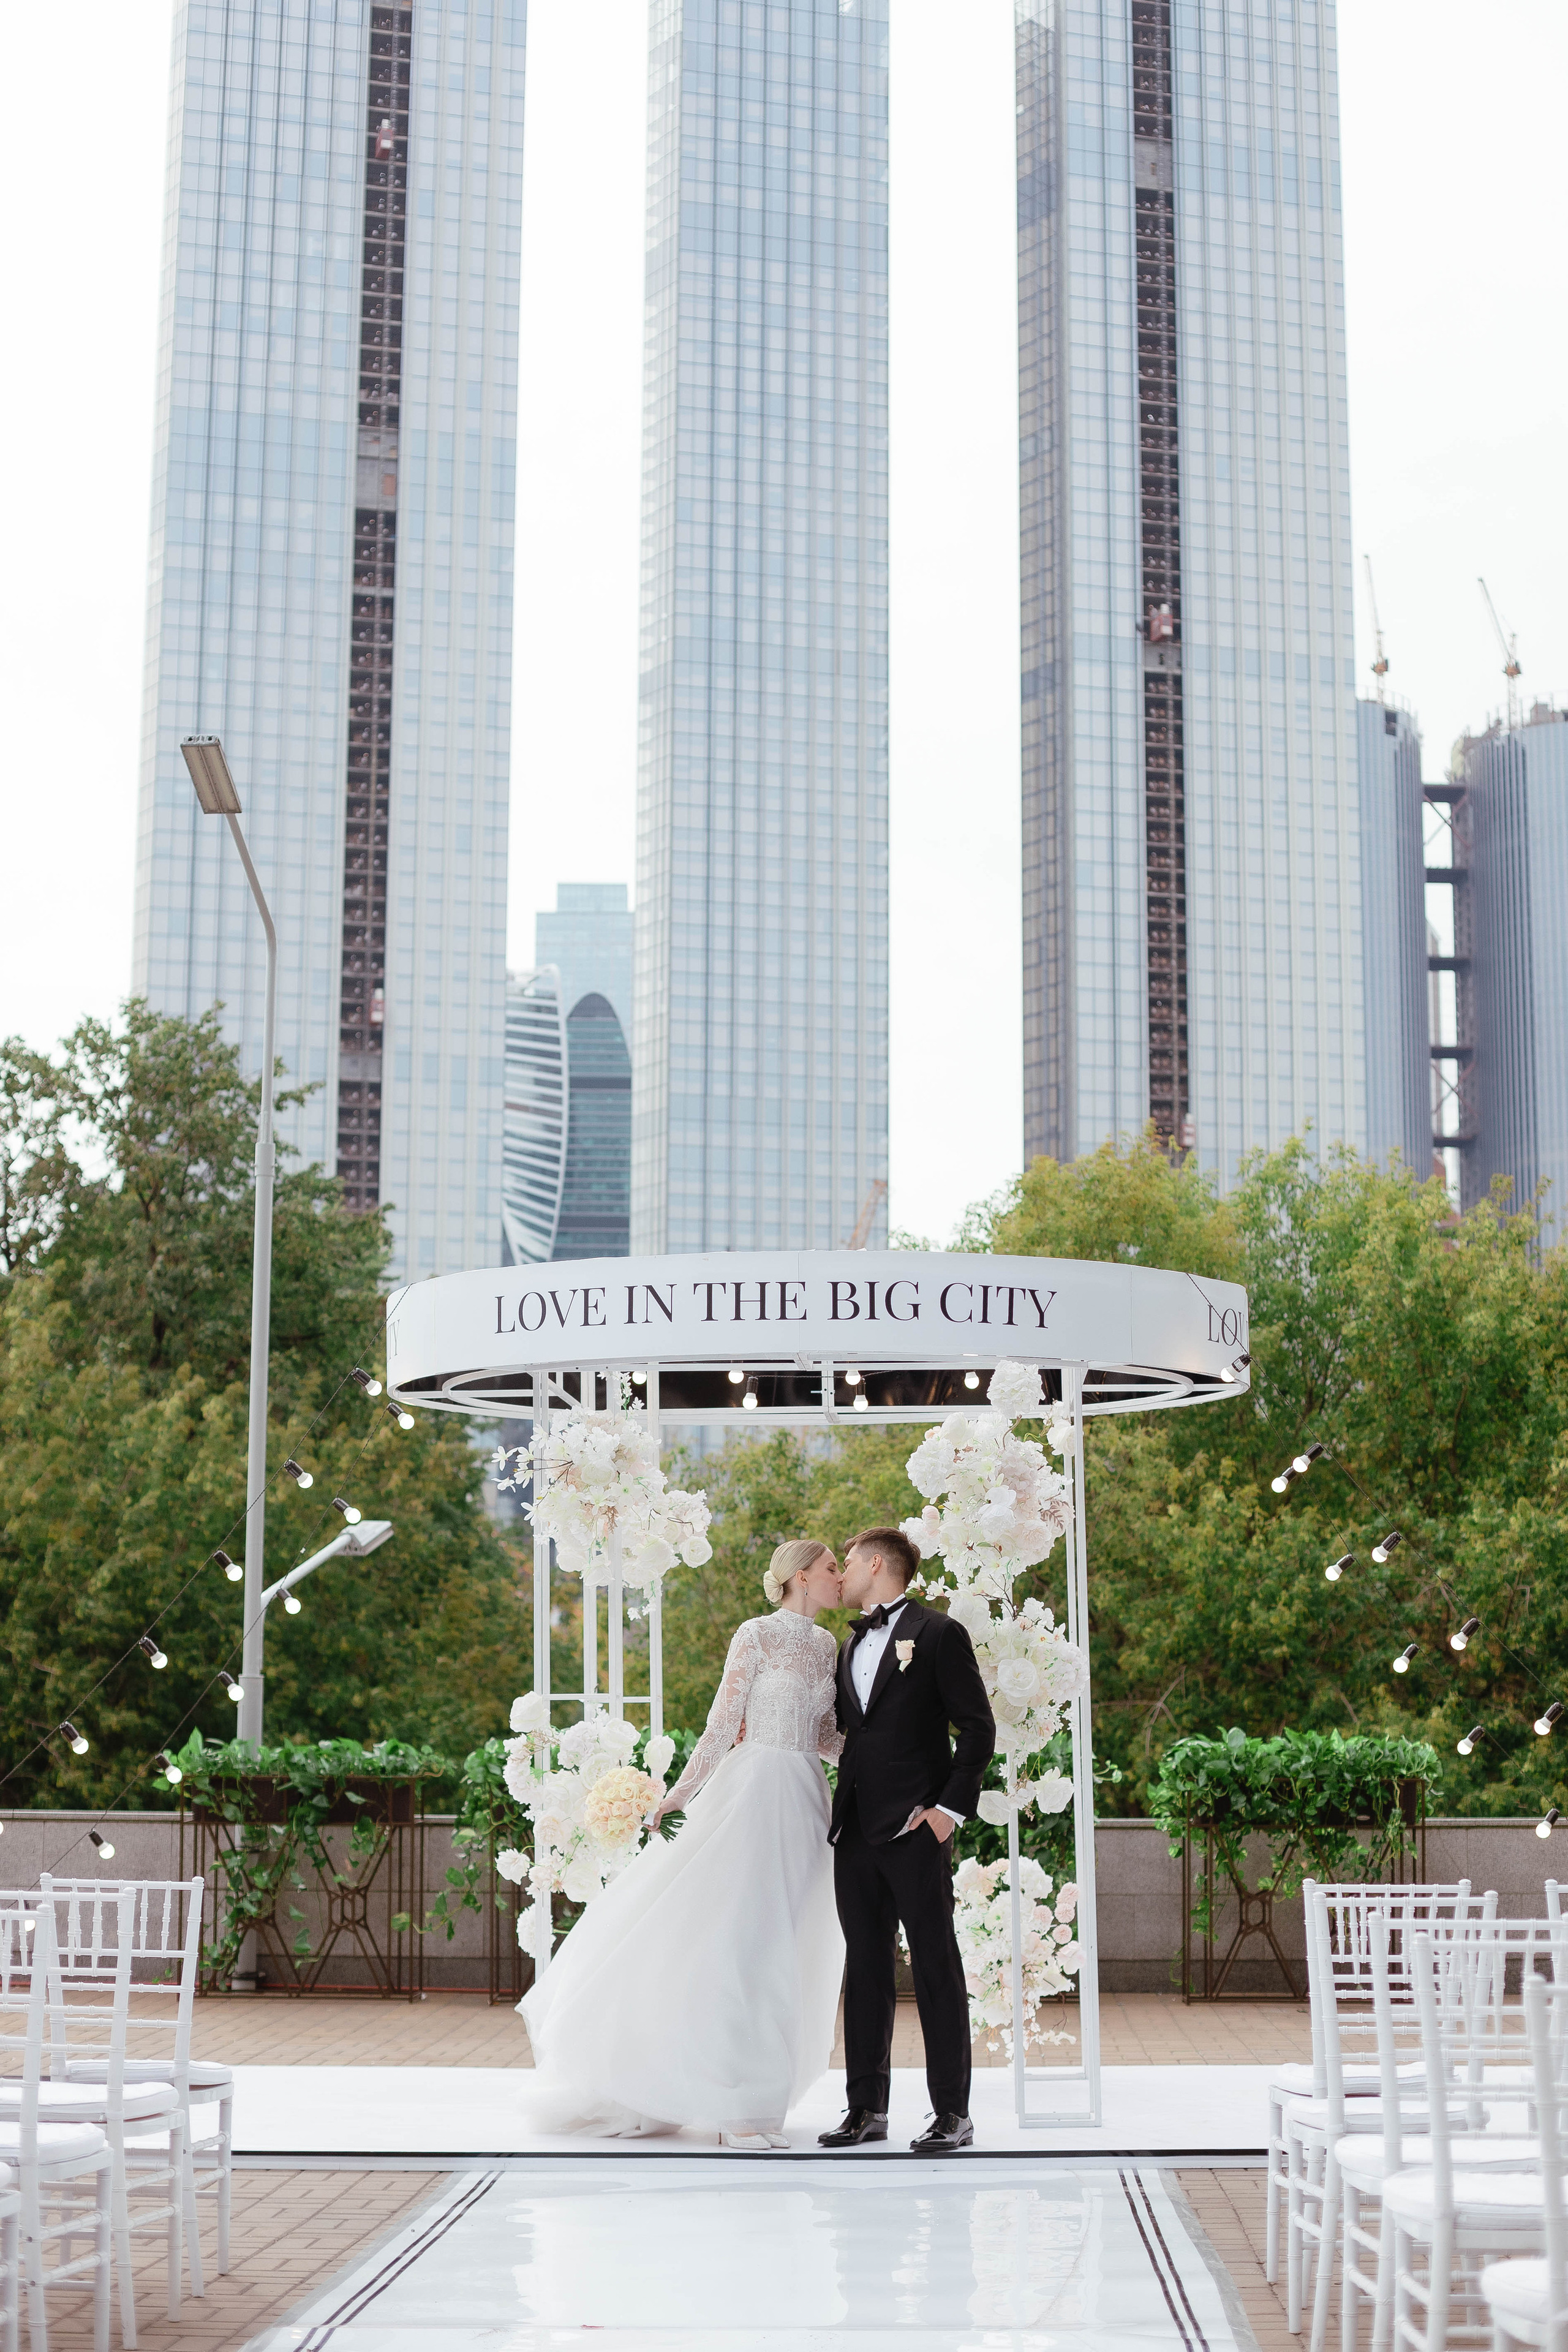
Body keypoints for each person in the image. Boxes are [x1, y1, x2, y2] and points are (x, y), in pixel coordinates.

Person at [519, 1539, 846, 2150]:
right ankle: (734, 2108)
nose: (841, 1578)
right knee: (741, 1944)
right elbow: (722, 1725)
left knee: (786, 1946)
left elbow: (826, 1734)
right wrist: (678, 1797)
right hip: (751, 1794)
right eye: (832, 1568)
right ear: (800, 1575)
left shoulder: (827, 1646)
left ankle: (757, 2099)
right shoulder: (755, 1633)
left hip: (804, 1798)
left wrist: (895, 1768)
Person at [818, 1525, 996, 2154]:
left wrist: (948, 1810)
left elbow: (977, 1730)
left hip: (917, 1828)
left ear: (875, 1564)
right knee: (864, 1969)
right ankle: (865, 2109)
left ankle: (953, 2113)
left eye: (848, 1562)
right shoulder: (849, 1645)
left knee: (936, 1968)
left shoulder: (939, 1634)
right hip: (857, 1829)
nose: (841, 1573)